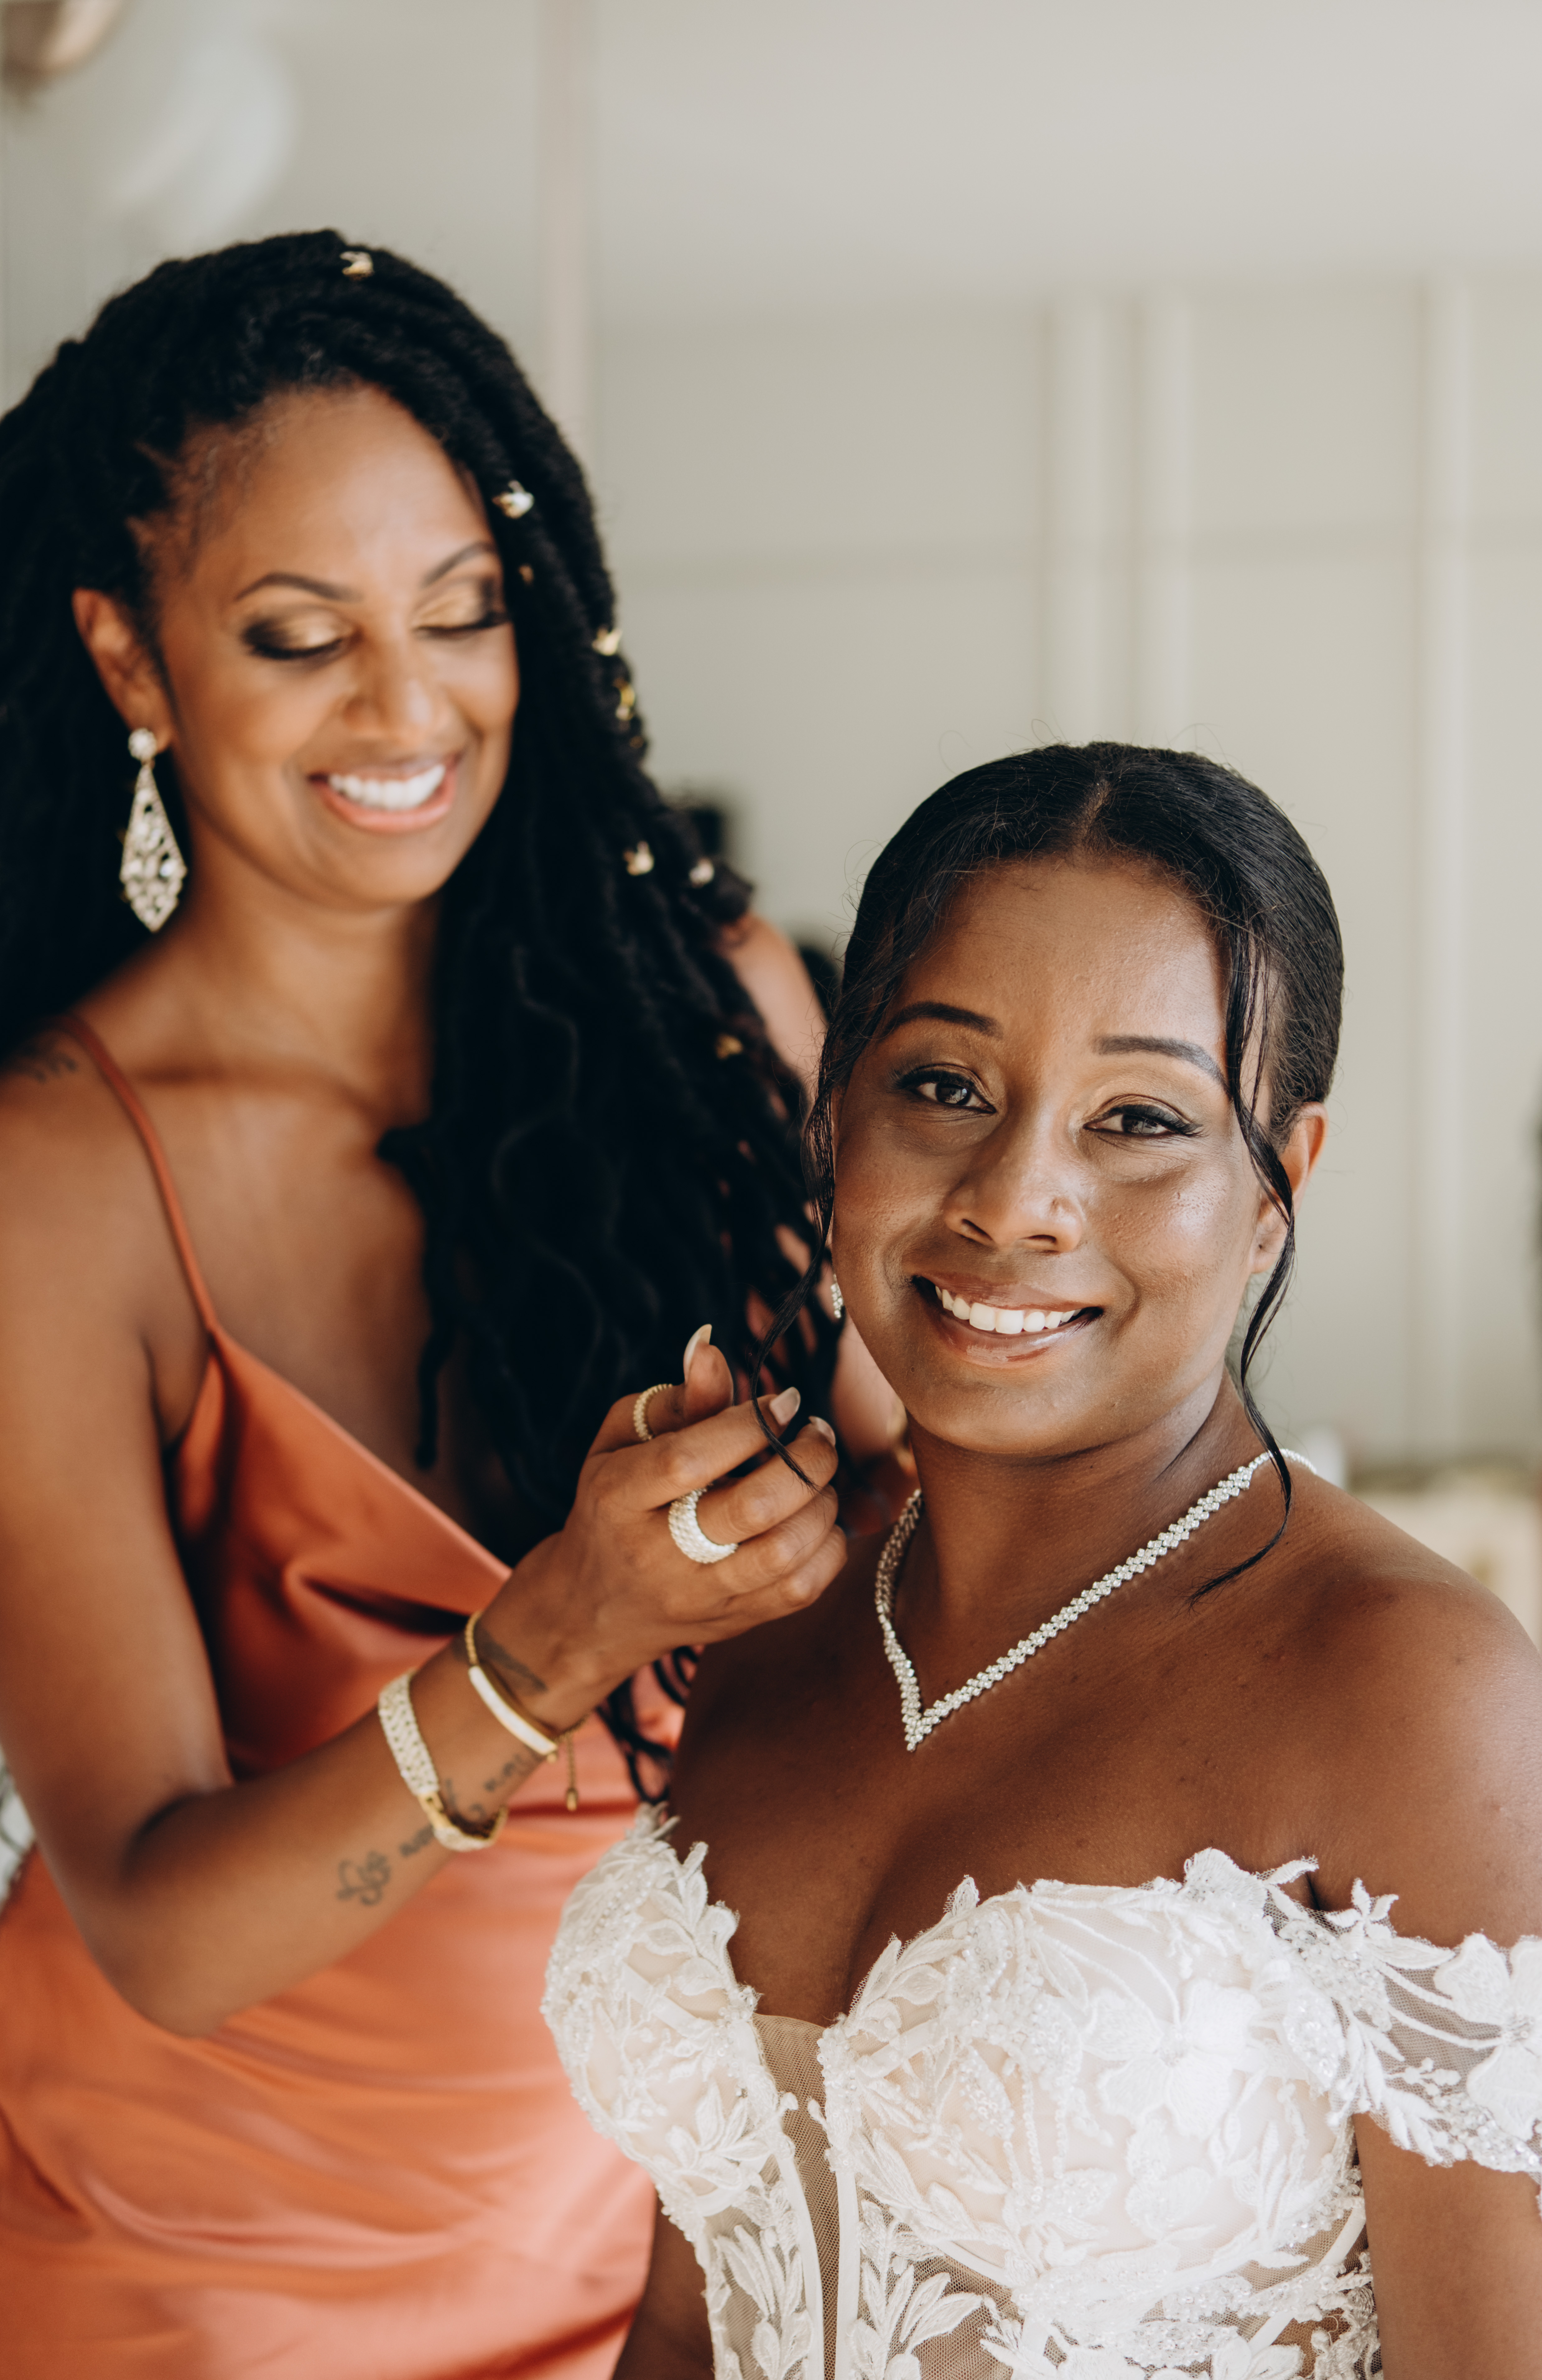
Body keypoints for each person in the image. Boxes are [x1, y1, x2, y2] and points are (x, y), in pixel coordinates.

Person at [0, 230, 897, 2377]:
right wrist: (555, 1638)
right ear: (133, 660)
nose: (409, 709)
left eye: (464, 609)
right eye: (301, 635)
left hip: (655, 2237)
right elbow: (162, 1927)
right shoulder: (57, 1177)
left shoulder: (709, 1012)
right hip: (195, 2278)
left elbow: (914, 1531)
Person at [547, 743, 1542, 2380]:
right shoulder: (774, 1625)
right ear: (835, 1114)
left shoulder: (1411, 1695)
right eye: (946, 1087)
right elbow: (690, 2320)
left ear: (1279, 1187)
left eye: (1141, 1120)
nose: (1018, 1198)